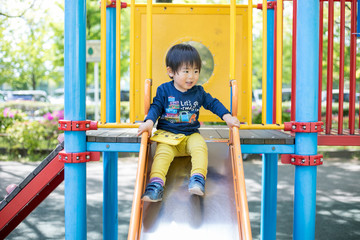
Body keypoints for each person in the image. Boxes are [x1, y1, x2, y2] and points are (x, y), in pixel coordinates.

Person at [137, 43, 240, 202]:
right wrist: (149, 122)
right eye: (186, 71)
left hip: (191, 135)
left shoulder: (198, 92)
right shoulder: (164, 90)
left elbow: (213, 103)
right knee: (161, 155)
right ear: (171, 72)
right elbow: (156, 107)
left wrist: (227, 117)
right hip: (168, 137)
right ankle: (156, 186)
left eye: (196, 71)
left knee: (200, 147)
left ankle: (198, 179)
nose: (191, 76)